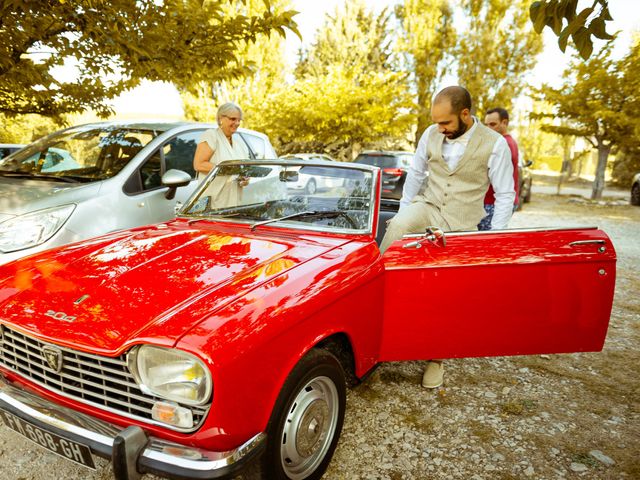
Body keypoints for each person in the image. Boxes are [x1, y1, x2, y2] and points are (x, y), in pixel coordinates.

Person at [379, 86, 515, 389]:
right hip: (427, 207)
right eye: (437, 122)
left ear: (465, 114)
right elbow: (415, 174)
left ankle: (436, 357)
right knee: (396, 232)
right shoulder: (430, 134)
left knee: (446, 291)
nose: (440, 129)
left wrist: (492, 240)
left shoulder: (495, 144)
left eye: (446, 123)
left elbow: (506, 194)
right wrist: (404, 212)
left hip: (462, 221)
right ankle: (377, 322)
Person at [193, 102, 250, 207]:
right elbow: (199, 164)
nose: (237, 123)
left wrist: (245, 178)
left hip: (234, 204)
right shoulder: (211, 136)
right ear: (220, 119)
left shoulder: (240, 144)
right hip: (212, 204)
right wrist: (230, 169)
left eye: (239, 120)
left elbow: (244, 171)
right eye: (233, 119)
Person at [479, 107, 520, 230]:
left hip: (494, 202)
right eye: (486, 125)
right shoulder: (506, 141)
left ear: (505, 123)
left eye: (493, 124)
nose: (488, 129)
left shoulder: (503, 144)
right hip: (493, 201)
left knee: (485, 241)